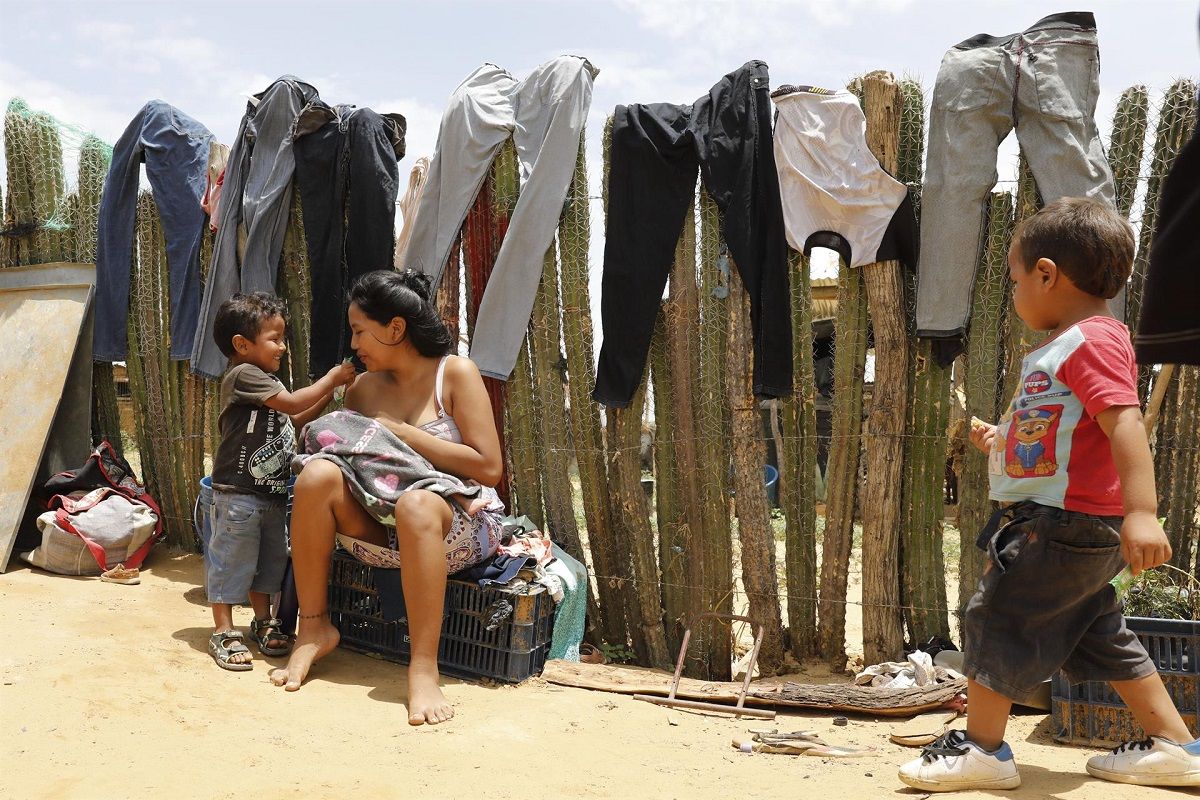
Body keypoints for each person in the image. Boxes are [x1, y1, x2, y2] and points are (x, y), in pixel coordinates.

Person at [898, 198, 1200, 791]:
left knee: (997, 616)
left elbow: (1126, 423)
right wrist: (1002, 440)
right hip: (1071, 520)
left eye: (1015, 280)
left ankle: (982, 751)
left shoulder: (1092, 341)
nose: (1015, 294)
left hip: (1063, 522)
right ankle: (1176, 747)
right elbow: (1064, 434)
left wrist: (1143, 511)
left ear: (1045, 273)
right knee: (1099, 631)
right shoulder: (1071, 345)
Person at [270, 270, 504, 726]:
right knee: (317, 475)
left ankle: (422, 666)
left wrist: (403, 433)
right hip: (383, 529)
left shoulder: (453, 373)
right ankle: (314, 628)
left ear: (395, 329)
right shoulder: (362, 388)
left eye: (360, 330)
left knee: (416, 503)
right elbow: (351, 460)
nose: (354, 343)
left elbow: (488, 466)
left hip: (456, 525)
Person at [206, 292, 355, 671]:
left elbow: (296, 417)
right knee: (232, 561)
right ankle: (224, 629)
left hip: (271, 494)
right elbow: (292, 404)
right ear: (242, 344)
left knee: (267, 565)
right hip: (239, 493)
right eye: (274, 338)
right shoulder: (244, 375)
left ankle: (262, 621)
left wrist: (330, 395)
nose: (283, 347)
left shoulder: (267, 384)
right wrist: (333, 377)